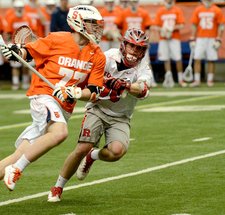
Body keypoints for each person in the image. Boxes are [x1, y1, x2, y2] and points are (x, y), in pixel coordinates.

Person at [0, 5, 105, 211]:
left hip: (64, 106)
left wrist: (74, 93)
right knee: (60, 133)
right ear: (77, 22)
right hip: (43, 96)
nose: (96, 28)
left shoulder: (96, 54)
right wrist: (14, 52)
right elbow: (27, 52)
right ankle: (16, 170)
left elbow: (94, 91)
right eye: (91, 23)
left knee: (19, 153)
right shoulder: (57, 39)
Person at [47, 28, 152, 202]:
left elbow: (143, 90)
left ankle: (92, 156)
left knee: (117, 151)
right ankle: (58, 186)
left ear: (143, 51)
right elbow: (89, 78)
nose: (134, 50)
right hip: (98, 108)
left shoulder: (143, 68)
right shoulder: (108, 57)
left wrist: (124, 85)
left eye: (139, 48)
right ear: (123, 45)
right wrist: (105, 81)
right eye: (131, 46)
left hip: (121, 116)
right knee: (82, 148)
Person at [113, 0, 156, 87]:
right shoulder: (124, 13)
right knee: (123, 61)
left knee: (146, 62)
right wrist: (115, 33)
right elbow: (116, 25)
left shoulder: (143, 13)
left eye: (135, 1)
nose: (133, 3)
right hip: (128, 44)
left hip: (140, 44)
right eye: (132, 1)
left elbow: (148, 28)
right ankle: (121, 80)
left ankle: (150, 79)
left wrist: (147, 41)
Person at [189, 0, 225, 87]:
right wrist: (193, 38)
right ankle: (197, 80)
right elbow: (194, 25)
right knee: (197, 58)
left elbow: (221, 25)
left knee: (211, 59)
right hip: (200, 38)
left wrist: (218, 39)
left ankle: (210, 80)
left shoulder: (216, 9)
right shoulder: (198, 9)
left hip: (212, 38)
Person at [153, 0, 186, 88]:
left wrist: (172, 28)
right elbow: (156, 26)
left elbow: (181, 24)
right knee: (165, 58)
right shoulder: (161, 11)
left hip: (174, 37)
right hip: (163, 38)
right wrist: (163, 30)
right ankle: (169, 78)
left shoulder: (177, 10)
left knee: (177, 58)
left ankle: (180, 79)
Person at [4, 0, 36, 90]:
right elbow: (8, 32)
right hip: (16, 46)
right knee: (16, 65)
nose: (19, 9)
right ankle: (16, 83)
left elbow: (33, 30)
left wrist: (32, 42)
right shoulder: (11, 18)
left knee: (28, 64)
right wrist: (9, 44)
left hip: (27, 45)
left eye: (20, 7)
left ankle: (27, 82)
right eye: (17, 7)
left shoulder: (28, 18)